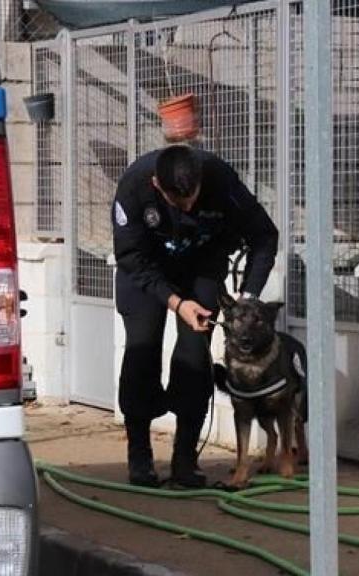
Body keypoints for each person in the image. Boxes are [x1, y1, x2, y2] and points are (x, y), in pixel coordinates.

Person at [112, 144, 278, 488]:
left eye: (193, 199)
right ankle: (140, 457)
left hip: (201, 265)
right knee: (141, 350)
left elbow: (264, 236)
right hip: (145, 272)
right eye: (178, 202)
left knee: (195, 356)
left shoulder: (220, 178)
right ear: (158, 185)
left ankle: (185, 460)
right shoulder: (134, 186)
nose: (188, 208)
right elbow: (130, 257)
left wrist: (247, 298)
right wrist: (175, 302)